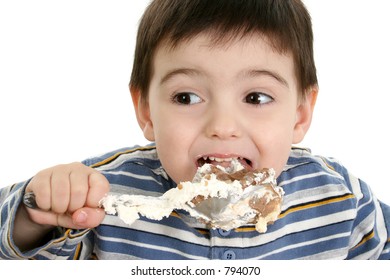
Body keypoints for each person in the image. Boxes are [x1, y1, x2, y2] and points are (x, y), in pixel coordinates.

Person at [0, 0, 389, 260]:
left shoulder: (339, 197)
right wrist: (35, 214)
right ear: (147, 110)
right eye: (186, 98)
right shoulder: (103, 193)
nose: (222, 127)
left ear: (300, 114)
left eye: (255, 97)